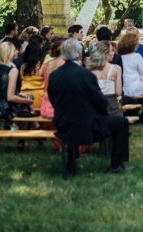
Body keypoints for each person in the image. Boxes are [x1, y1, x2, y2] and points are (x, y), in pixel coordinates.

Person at [48, 38, 131, 175]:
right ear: (79, 54)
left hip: (63, 124)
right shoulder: (85, 74)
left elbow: (53, 99)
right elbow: (99, 100)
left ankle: (71, 161)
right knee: (122, 123)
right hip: (86, 125)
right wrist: (101, 113)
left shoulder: (54, 76)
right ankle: (116, 165)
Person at [0, 41, 34, 126]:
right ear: (8, 53)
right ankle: (23, 132)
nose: (17, 51)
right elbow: (10, 97)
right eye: (14, 50)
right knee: (27, 106)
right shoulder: (13, 70)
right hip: (6, 109)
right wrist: (27, 101)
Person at [87, 41, 123, 116]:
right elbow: (118, 92)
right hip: (111, 104)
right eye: (111, 51)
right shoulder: (116, 68)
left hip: (95, 105)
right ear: (106, 54)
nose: (113, 53)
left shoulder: (89, 71)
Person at [40, 38, 66, 121]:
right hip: (61, 103)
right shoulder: (65, 64)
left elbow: (41, 75)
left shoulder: (46, 64)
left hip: (47, 101)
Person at [20, 37, 45, 108]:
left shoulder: (23, 67)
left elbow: (21, 80)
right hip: (39, 97)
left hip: (24, 97)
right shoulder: (42, 67)